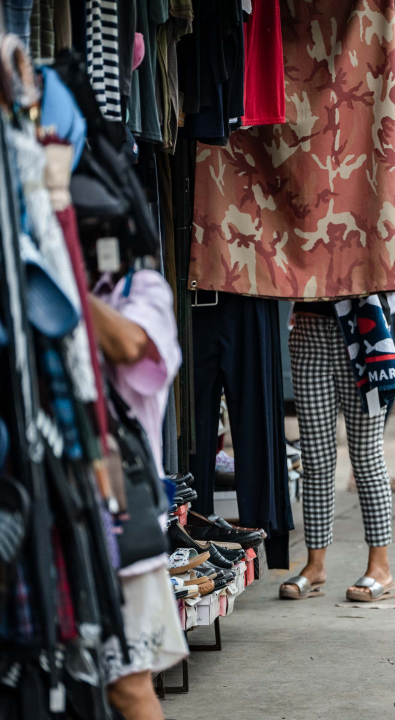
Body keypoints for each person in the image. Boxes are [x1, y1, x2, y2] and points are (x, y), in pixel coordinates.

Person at [90, 267, 187, 720]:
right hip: (62, 503)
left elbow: (130, 345)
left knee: (128, 685)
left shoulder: (141, 289)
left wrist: (59, 279)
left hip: (123, 515)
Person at [278, 300, 395, 603]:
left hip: (363, 325)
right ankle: (315, 567)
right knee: (316, 458)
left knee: (367, 459)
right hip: (308, 325)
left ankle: (380, 568)